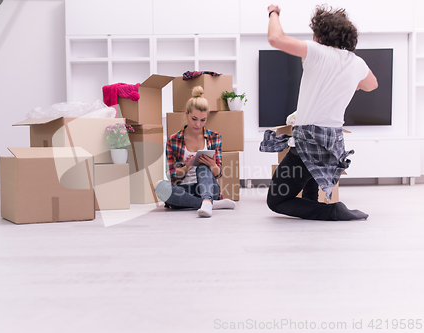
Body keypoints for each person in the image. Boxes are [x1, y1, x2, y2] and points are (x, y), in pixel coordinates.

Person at [261, 4, 378, 221]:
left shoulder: (317, 52)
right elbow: (372, 84)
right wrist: (353, 83)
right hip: (332, 145)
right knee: (311, 171)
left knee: (275, 201)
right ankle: (317, 211)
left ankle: (331, 210)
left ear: (320, 35)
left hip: (307, 142)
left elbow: (275, 38)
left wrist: (273, 12)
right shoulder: (357, 63)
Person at [155, 86, 236, 218]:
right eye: (194, 118)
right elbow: (171, 176)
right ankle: (209, 203)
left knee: (202, 166)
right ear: (186, 113)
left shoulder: (214, 137)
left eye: (203, 120)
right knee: (160, 186)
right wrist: (187, 167)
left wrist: (212, 165)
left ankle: (207, 199)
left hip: (208, 188)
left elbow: (219, 173)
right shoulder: (173, 140)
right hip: (183, 191)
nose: (198, 124)